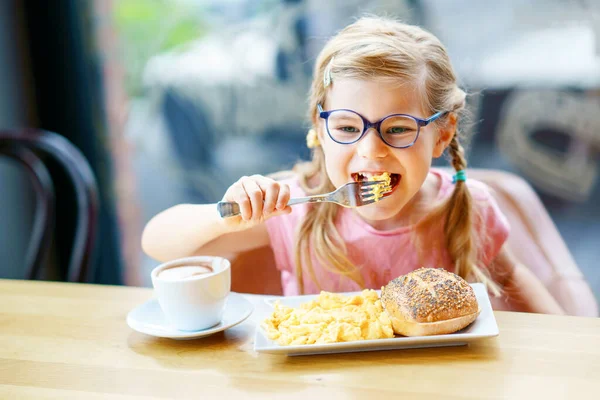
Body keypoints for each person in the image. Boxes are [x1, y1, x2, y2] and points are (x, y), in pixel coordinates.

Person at [141, 16, 564, 314]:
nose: (371, 150)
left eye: (398, 129)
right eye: (347, 126)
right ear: (319, 129)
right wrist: (225, 215)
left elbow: (529, 296)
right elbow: (157, 243)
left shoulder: (466, 206)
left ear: (443, 132)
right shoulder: (296, 208)